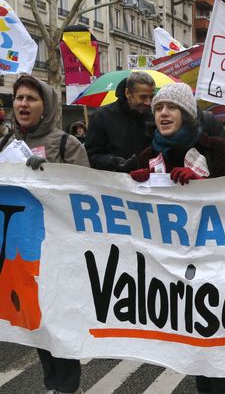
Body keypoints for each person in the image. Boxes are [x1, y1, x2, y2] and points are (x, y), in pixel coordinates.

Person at [128, 83, 225, 393]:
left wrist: (204, 183)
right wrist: (134, 186)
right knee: (194, 342)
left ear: (187, 113)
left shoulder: (213, 147)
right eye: (159, 108)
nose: (164, 113)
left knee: (219, 338)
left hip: (215, 258)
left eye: (171, 107)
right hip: (173, 265)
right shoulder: (148, 155)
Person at [4, 75, 89, 393]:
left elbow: (87, 197)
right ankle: (55, 383)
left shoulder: (68, 144)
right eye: (19, 98)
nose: (23, 104)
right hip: (23, 255)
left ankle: (66, 386)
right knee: (37, 324)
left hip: (62, 256)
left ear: (47, 105)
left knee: (61, 324)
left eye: (31, 98)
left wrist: (53, 177)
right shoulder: (6, 146)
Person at [85, 71, 156, 172]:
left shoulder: (155, 116)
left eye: (151, 97)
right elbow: (90, 156)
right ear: (127, 93)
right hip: (114, 183)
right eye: (143, 97)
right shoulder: (101, 116)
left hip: (149, 181)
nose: (148, 102)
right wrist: (114, 162)